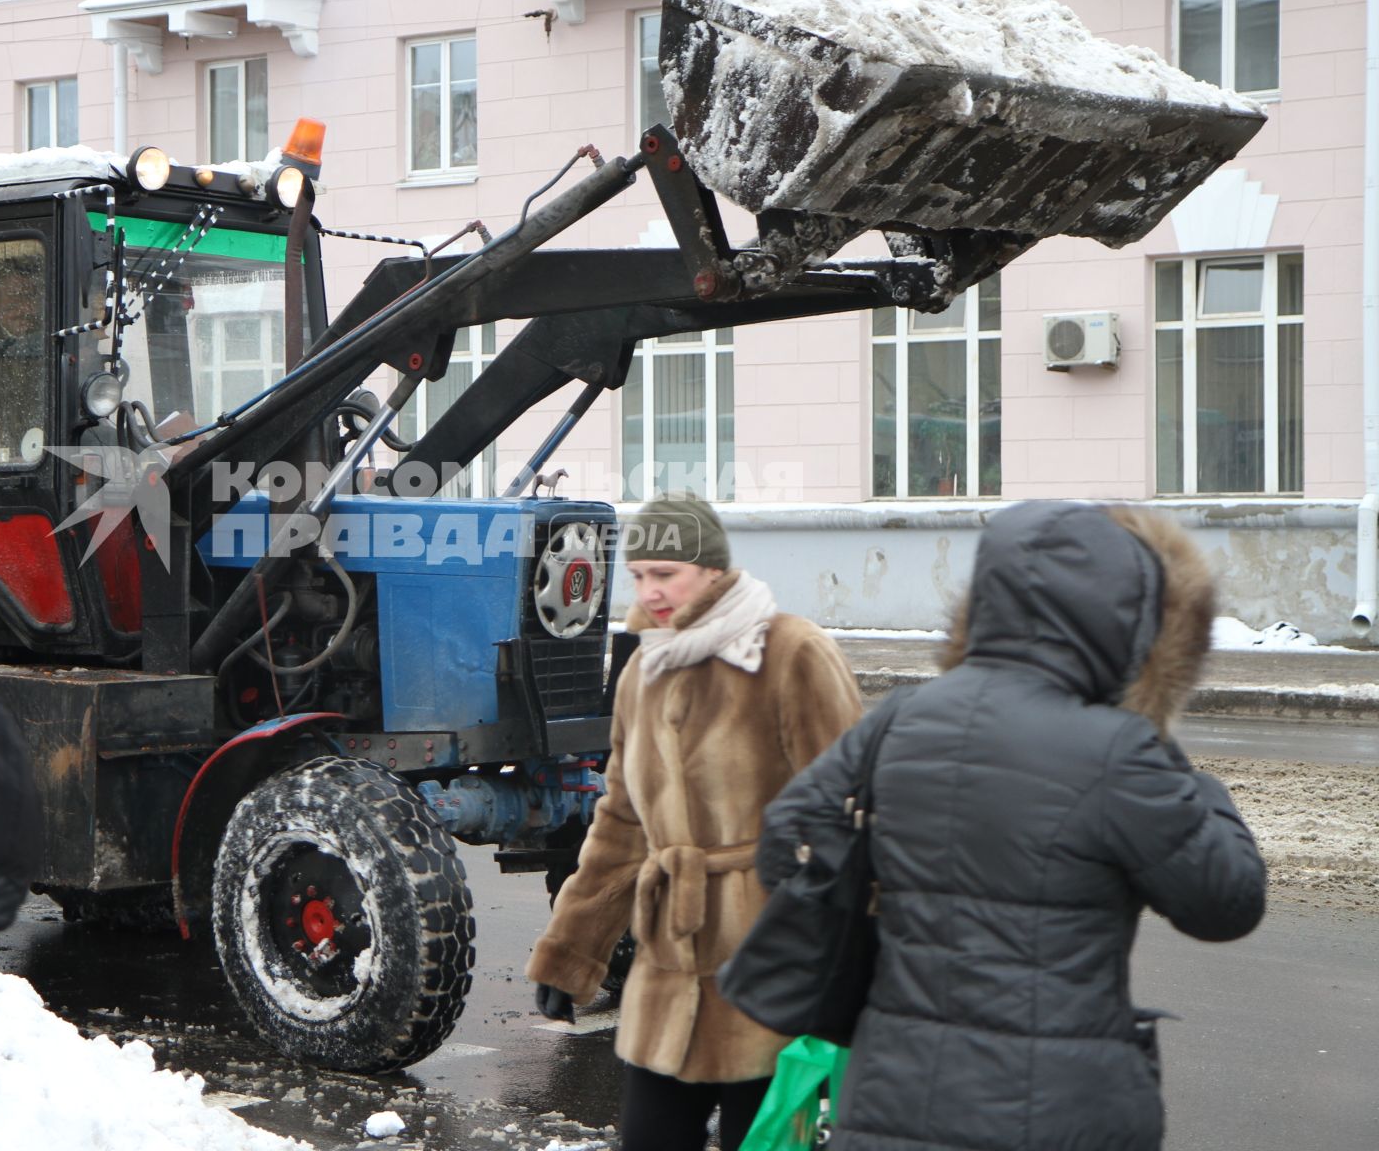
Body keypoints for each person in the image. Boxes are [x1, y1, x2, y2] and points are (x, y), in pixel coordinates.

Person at [757, 501, 1266, 1151]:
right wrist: (1195, 780)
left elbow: (786, 842)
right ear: (1128, 617)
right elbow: (1226, 902)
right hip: (1058, 1109)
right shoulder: (1121, 750)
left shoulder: (904, 716)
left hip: (889, 1093)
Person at [527, 491, 864, 1151]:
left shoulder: (790, 652)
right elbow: (622, 821)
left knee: (761, 1141)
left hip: (771, 966)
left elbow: (851, 814)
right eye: (639, 576)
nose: (650, 592)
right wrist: (570, 953)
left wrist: (849, 970)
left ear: (712, 570)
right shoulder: (645, 670)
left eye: (666, 574)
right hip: (670, 971)